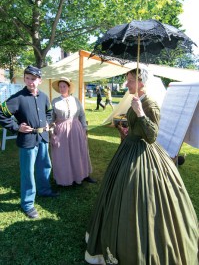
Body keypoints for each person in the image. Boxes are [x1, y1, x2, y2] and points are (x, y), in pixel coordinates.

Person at [85, 67, 199, 265]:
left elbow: (152, 136)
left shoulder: (150, 104)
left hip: (143, 156)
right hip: (129, 149)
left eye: (130, 80)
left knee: (142, 196)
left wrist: (140, 113)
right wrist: (127, 132)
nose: (126, 84)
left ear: (141, 82)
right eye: (127, 80)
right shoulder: (136, 100)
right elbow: (138, 130)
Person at [0, 65, 58, 219]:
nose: (30, 81)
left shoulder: (44, 97)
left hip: (43, 138)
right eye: (27, 78)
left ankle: (44, 191)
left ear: (39, 80)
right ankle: (27, 203)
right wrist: (16, 127)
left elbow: (50, 112)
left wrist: (47, 121)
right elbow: (1, 112)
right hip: (27, 140)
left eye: (33, 79)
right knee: (28, 172)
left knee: (45, 165)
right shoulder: (18, 97)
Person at [50, 77, 96, 186]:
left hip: (76, 129)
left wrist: (84, 128)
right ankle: (66, 178)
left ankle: (83, 175)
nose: (62, 88)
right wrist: (52, 133)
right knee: (63, 154)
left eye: (64, 86)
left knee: (79, 152)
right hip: (61, 131)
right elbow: (51, 118)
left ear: (68, 87)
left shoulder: (75, 100)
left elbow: (82, 115)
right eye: (60, 86)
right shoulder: (55, 101)